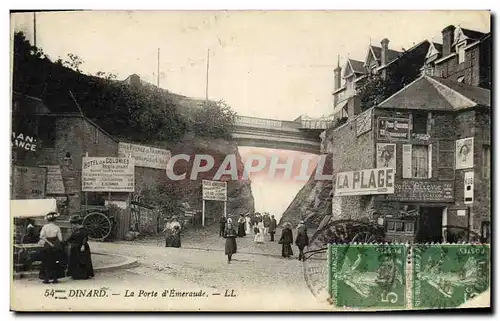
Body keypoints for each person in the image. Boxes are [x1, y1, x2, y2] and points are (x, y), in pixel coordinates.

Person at [38, 212, 66, 284]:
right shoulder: (57, 227)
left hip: (47, 245)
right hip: (55, 246)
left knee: (46, 262)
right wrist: (54, 242)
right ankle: (55, 279)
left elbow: (41, 236)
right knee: (55, 262)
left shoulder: (45, 227)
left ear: (48, 220)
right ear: (55, 220)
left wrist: (48, 242)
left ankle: (46, 279)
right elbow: (60, 239)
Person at [65, 215, 94, 280]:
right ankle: (75, 274)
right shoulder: (75, 230)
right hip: (75, 248)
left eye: (73, 224)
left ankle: (83, 275)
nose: (72, 226)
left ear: (77, 224)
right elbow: (71, 238)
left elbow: (85, 238)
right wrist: (65, 242)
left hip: (82, 248)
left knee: (83, 260)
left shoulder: (83, 230)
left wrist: (83, 245)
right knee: (75, 261)